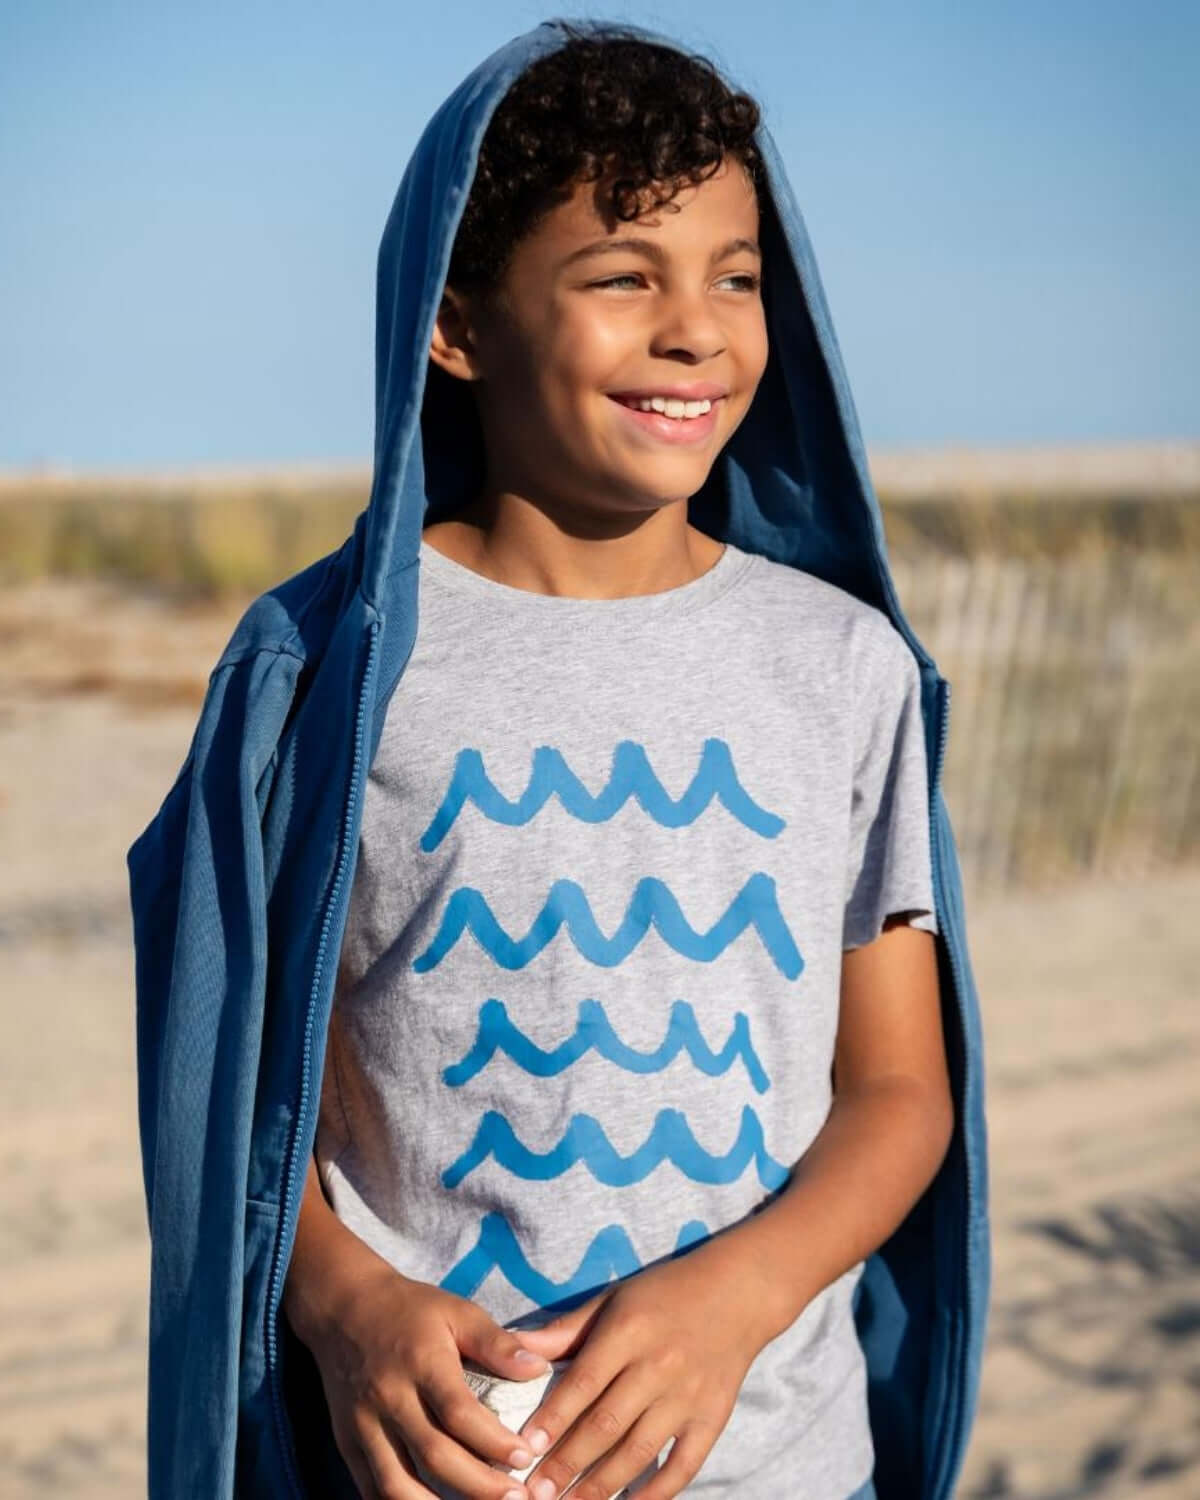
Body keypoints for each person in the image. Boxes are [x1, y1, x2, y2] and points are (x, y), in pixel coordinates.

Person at [127, 18, 990, 1500]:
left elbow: (901, 1090)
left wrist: (735, 1298)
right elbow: (236, 1093)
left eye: (735, 275)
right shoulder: (324, 669)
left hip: (778, 1462)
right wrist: (337, 1306)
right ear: (457, 326)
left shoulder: (841, 668)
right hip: (445, 1468)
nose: (697, 330)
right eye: (621, 278)